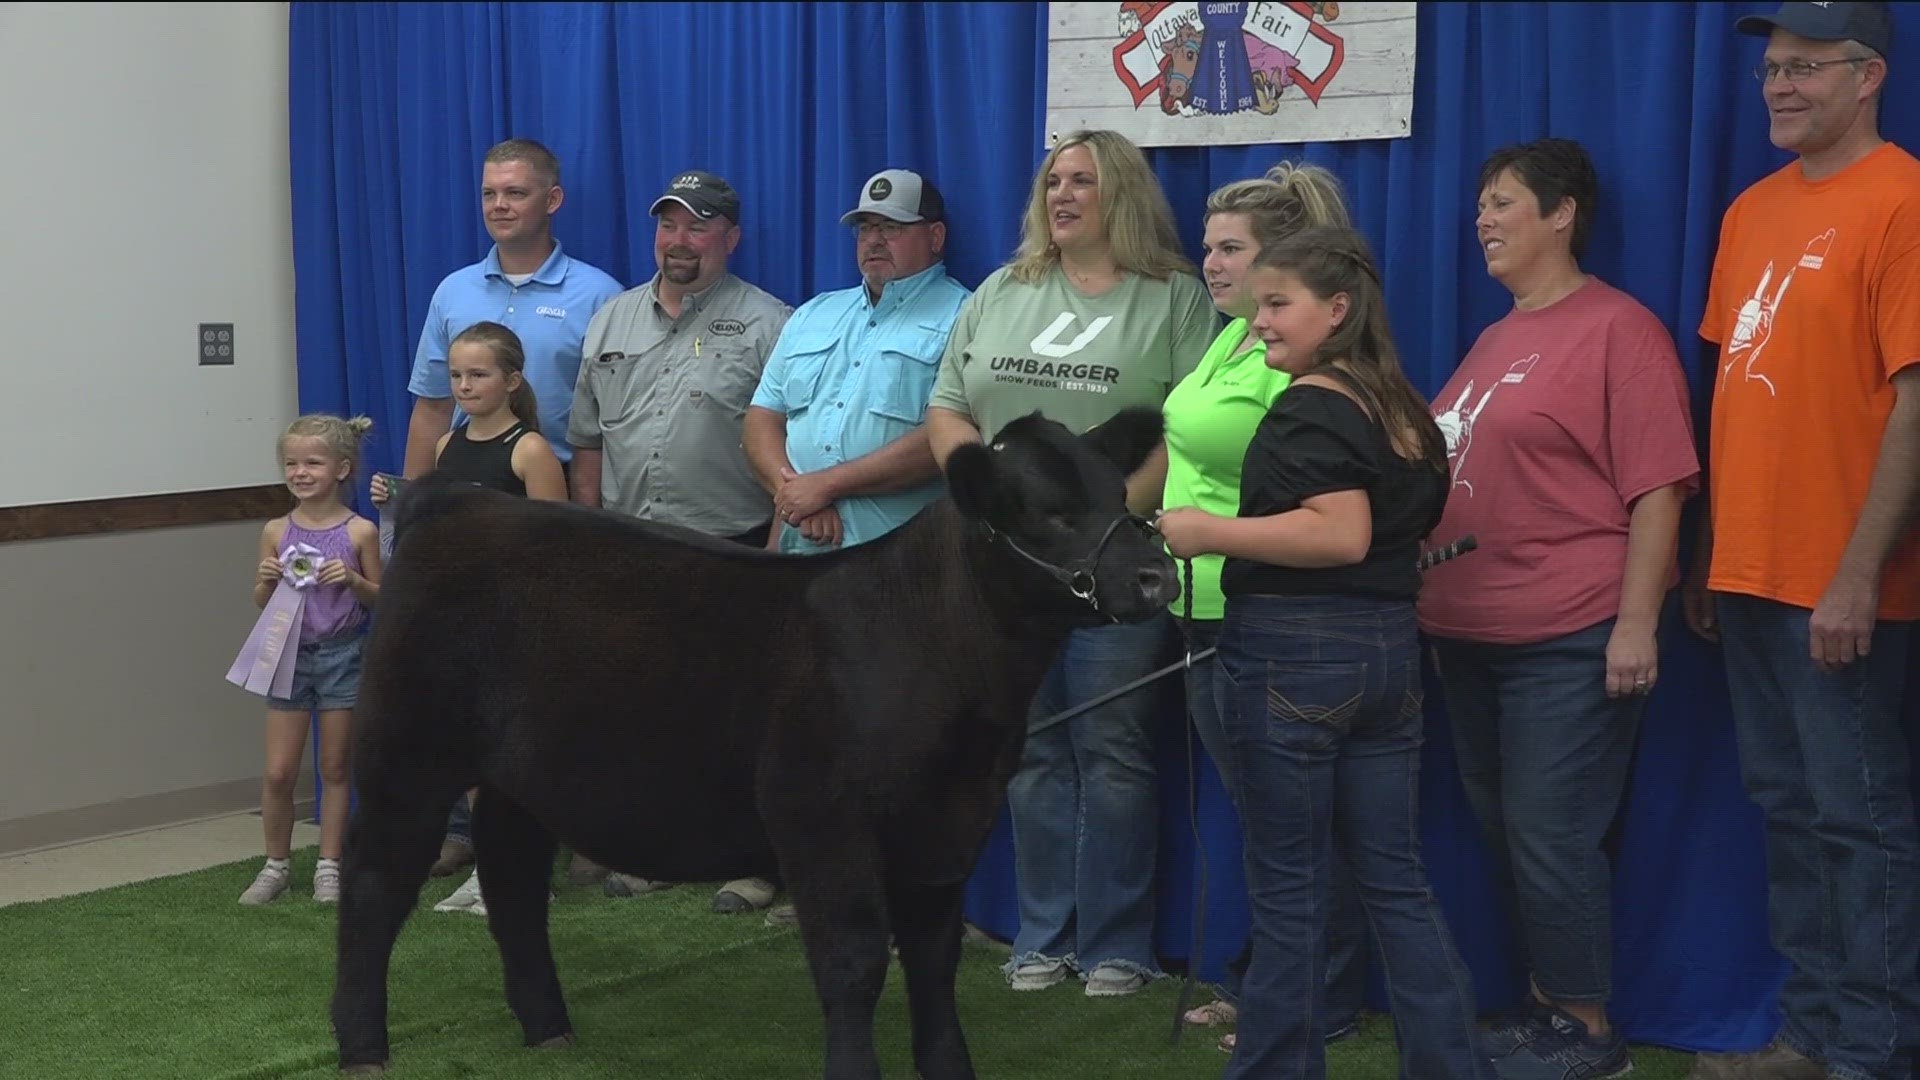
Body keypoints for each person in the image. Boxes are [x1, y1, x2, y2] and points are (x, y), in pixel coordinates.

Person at [1156, 226, 1491, 1079]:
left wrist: (1204, 530)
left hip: (1297, 659)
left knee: (1292, 888)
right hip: (1386, 656)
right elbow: (1385, 533)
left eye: (1278, 304)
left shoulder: (1312, 403)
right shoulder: (1401, 405)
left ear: (1336, 310)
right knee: (1393, 879)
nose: (1258, 322)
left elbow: (1340, 534)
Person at [1410, 138, 1700, 1080]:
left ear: (1563, 211)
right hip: (1467, 633)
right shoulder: (1495, 337)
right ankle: (1543, 1005)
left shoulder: (1620, 329)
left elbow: (1659, 489)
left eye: (1502, 202)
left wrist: (1635, 621)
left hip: (1565, 634)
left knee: (1550, 830)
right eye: (1480, 204)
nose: (1483, 220)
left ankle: (1586, 1028)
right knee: (1509, 830)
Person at [925, 128, 1219, 997]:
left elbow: (1187, 424)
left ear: (1121, 193)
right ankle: (1041, 935)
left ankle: (1117, 944)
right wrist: (981, 500)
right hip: (1004, 577)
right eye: (1053, 181)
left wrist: (1102, 525)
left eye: (1082, 182)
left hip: (1107, 571)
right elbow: (947, 409)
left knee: (1114, 746)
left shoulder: (1173, 299)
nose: (1062, 197)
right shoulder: (1001, 292)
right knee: (1031, 748)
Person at [1683, 4, 1920, 1079]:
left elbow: (1915, 403)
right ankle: (1814, 1034)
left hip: (1843, 581)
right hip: (1748, 572)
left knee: (1859, 824)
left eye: (1805, 68)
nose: (1779, 86)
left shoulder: (1904, 200)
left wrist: (1860, 574)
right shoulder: (1749, 211)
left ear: (1867, 76)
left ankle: (1873, 1049)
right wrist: (1708, 553)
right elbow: (1736, 390)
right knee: (1786, 812)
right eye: (1772, 68)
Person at [1159, 161, 1371, 1050]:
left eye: (1231, 250)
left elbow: (1312, 501)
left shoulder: (1306, 364)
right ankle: (1267, 978)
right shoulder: (1231, 337)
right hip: (1199, 605)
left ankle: (1312, 999)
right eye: (1207, 247)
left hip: (1266, 612)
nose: (1211, 265)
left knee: (1292, 820)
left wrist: (1207, 532)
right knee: (1262, 817)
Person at [569, 169, 793, 913]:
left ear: (730, 236)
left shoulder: (772, 324)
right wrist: (591, 538)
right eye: (669, 225)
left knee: (740, 720)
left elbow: (795, 449)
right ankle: (662, 853)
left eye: (698, 226)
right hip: (632, 550)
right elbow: (588, 441)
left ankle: (757, 862)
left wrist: (773, 556)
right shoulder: (611, 319)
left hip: (729, 550)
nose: (679, 241)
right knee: (648, 715)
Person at [398, 138, 620, 880]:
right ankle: (465, 826)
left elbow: (606, 420)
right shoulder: (454, 291)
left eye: (516, 193)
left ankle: (583, 829)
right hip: (465, 524)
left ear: (552, 201)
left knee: (559, 680)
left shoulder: (598, 293)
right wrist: (410, 521)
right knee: (463, 681)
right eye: (491, 192)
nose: (500, 205)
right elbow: (431, 412)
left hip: (548, 510)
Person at [373, 321, 570, 917]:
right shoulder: (445, 446)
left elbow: (557, 542)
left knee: (513, 753)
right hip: (457, 621)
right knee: (470, 751)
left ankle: (525, 873)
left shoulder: (529, 449)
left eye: (478, 374)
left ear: (512, 379)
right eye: (456, 374)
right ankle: (490, 868)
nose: (464, 385)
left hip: (510, 622)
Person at [744, 169, 968, 556]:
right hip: (796, 550)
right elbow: (761, 419)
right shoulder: (815, 312)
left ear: (935, 237)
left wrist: (828, 486)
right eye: (865, 228)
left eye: (892, 226)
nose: (875, 240)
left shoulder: (967, 317)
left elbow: (948, 435)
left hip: (898, 562)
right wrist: (795, 496)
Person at [237, 415, 383, 907]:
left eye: (312, 463)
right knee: (279, 771)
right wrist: (265, 579)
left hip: (344, 656)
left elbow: (381, 599)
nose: (300, 472)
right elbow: (263, 601)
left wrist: (355, 581)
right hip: (288, 656)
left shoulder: (360, 531)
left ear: (342, 469)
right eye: (291, 463)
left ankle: (329, 866)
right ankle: (275, 864)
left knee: (335, 767)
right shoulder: (276, 529)